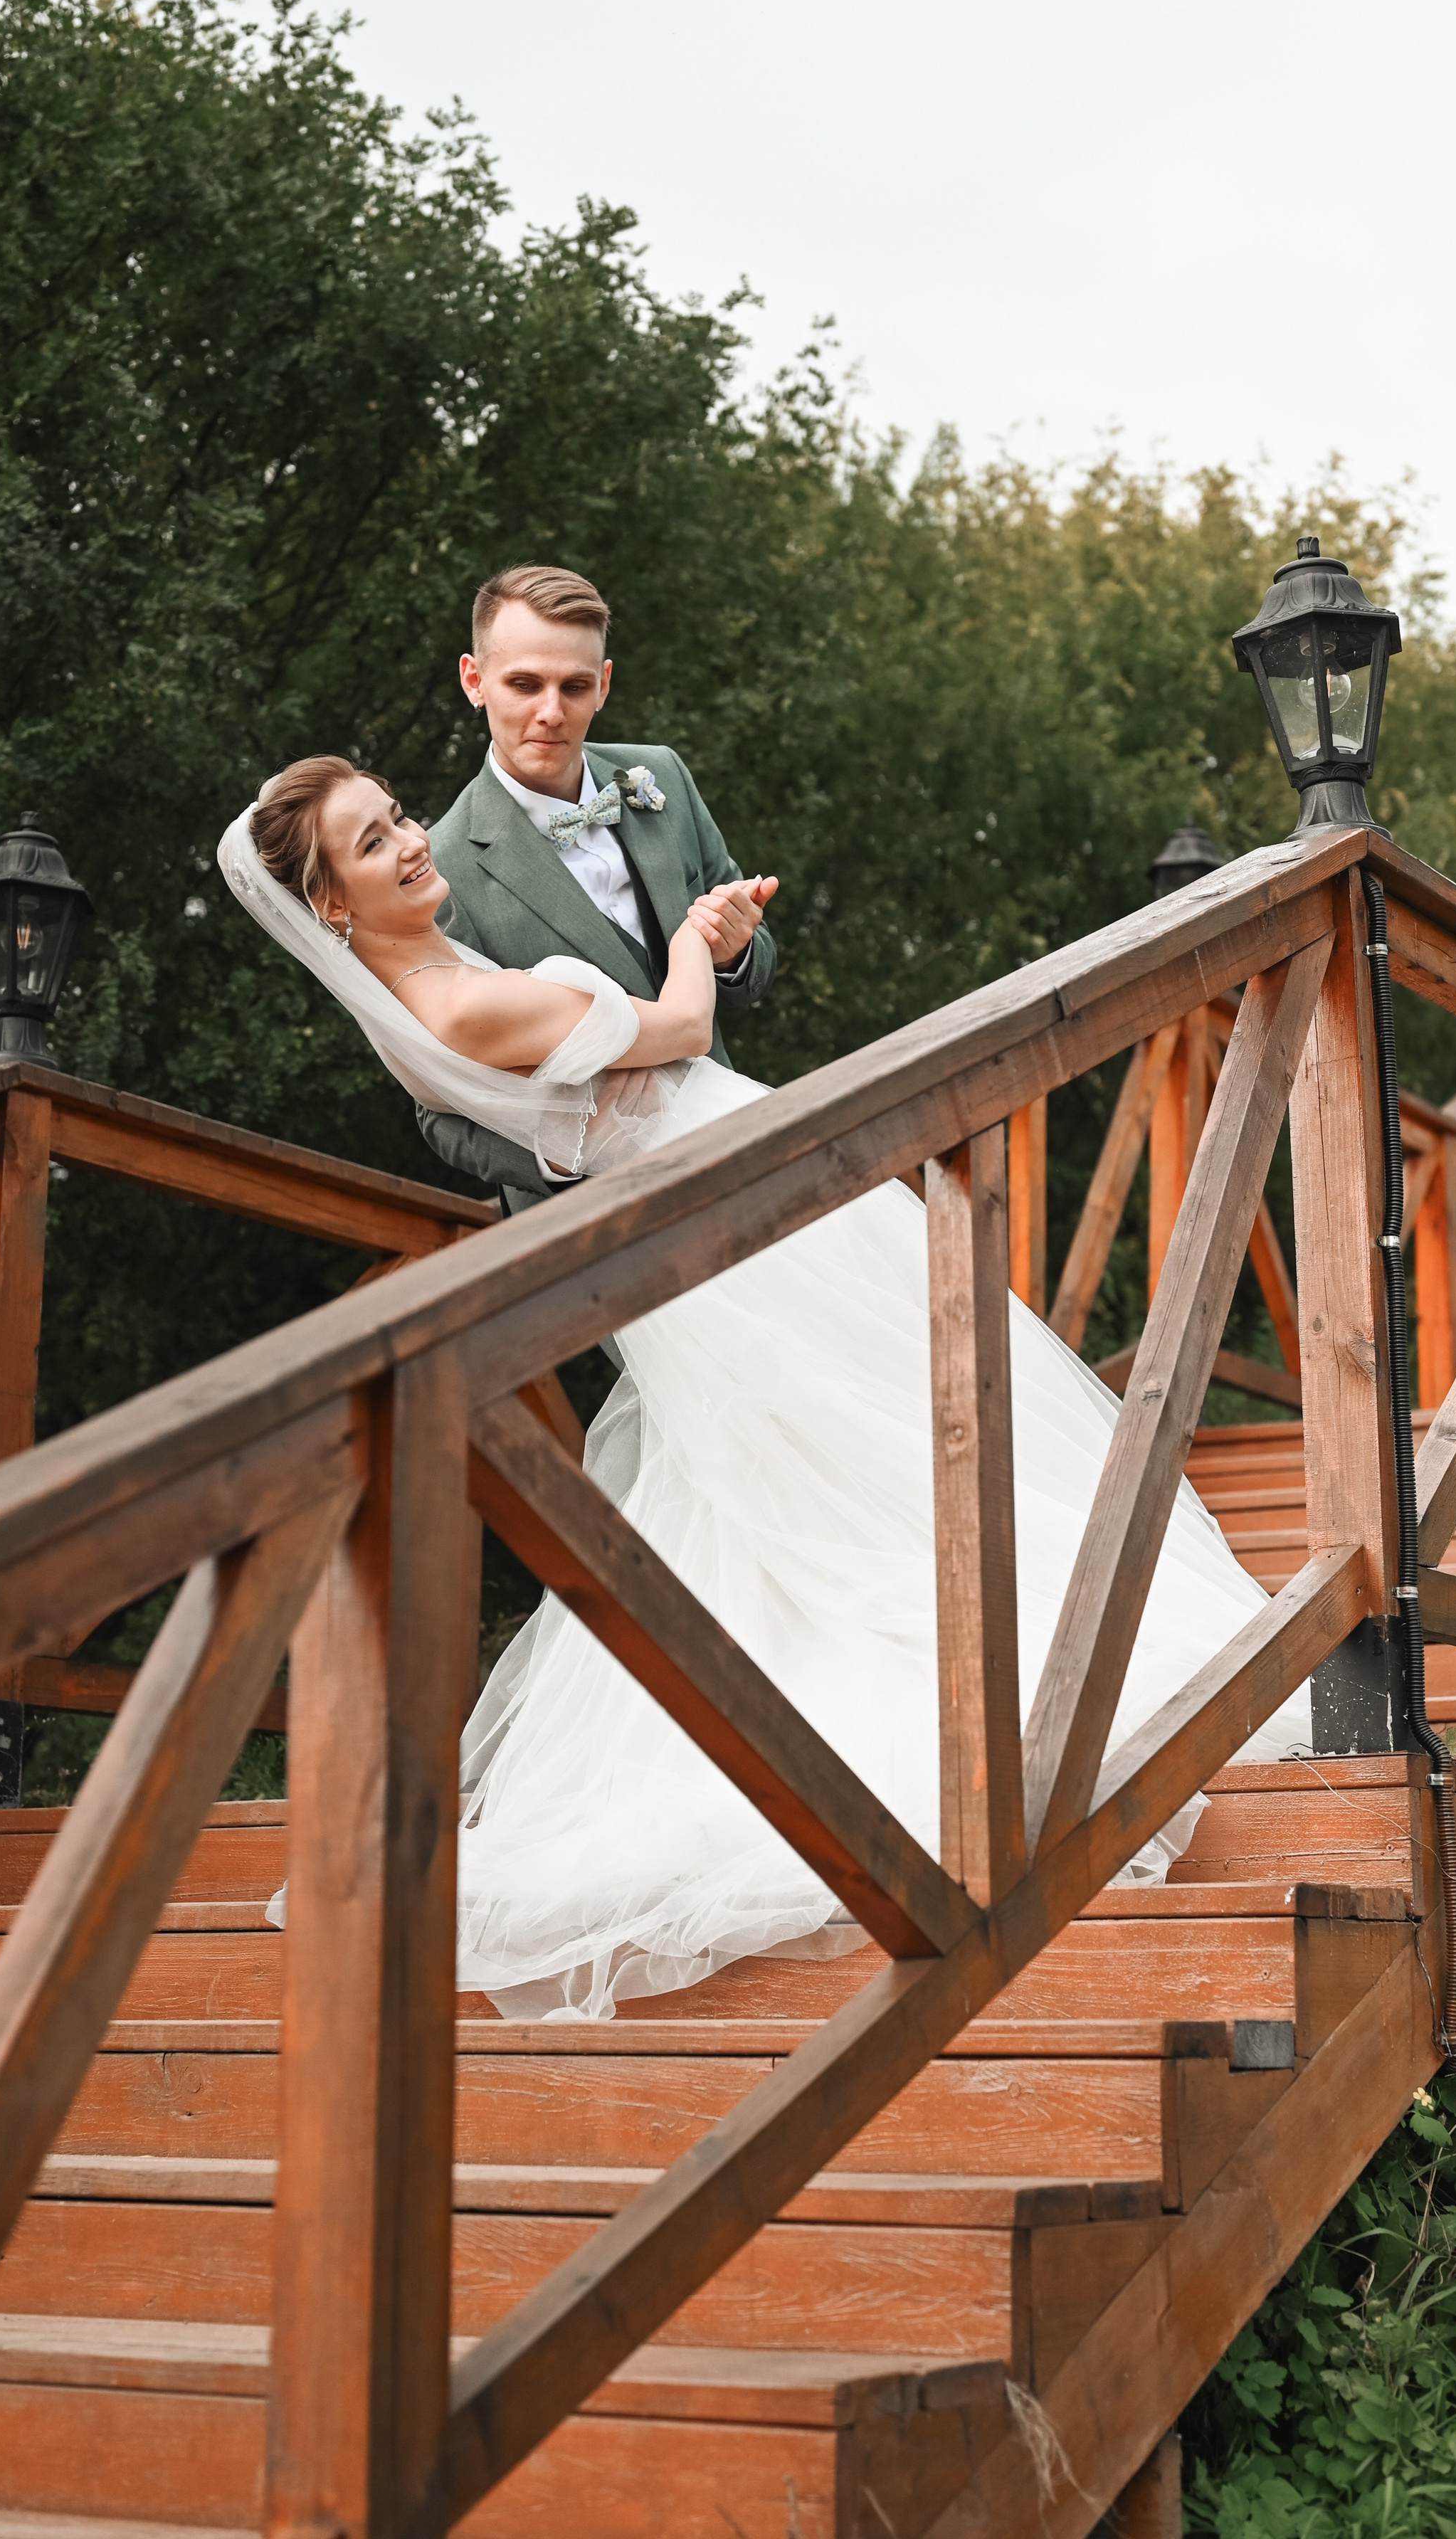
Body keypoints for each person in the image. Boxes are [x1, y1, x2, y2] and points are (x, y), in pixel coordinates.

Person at [218, 761, 1308, 2022]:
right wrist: (690, 940)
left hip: (729, 1196)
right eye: (372, 842)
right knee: (878, 1452)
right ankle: (988, 1729)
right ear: (333, 905)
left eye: (398, 814)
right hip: (730, 1218)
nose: (410, 839)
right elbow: (676, 1035)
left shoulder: (440, 984)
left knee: (847, 1469)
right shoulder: (449, 1011)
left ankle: (1006, 1685)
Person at [413, 564, 777, 1213]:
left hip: (733, 1154)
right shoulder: (439, 871)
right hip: (591, 1224)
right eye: (524, 684)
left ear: (603, 685)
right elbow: (439, 1113)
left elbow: (754, 967)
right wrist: (558, 1159)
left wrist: (735, 952)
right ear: (474, 681)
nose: (551, 713)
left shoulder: (660, 775)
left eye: (574, 686)